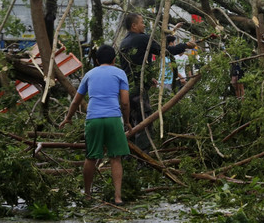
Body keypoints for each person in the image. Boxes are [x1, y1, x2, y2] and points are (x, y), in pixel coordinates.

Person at [59, 45, 131, 205]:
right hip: (113, 118)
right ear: (114, 59)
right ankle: (118, 197)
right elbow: (125, 103)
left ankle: (88, 194)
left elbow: (76, 100)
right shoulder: (120, 73)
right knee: (115, 158)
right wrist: (126, 122)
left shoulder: (89, 75)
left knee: (91, 157)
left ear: (97, 60)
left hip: (93, 118)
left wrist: (68, 118)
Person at [119, 13, 195, 152]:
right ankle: (143, 158)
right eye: (142, 22)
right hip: (138, 89)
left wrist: (148, 79)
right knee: (144, 122)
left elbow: (133, 67)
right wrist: (185, 46)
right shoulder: (142, 39)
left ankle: (127, 155)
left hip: (126, 89)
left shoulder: (123, 43)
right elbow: (166, 51)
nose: (144, 25)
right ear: (134, 25)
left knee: (129, 122)